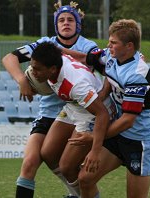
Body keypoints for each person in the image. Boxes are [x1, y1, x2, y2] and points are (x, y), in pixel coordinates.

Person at [1, 2, 98, 197]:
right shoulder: (45, 43)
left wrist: (59, 53)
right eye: (61, 20)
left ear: (78, 24)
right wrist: (22, 80)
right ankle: (78, 194)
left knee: (65, 162)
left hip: (77, 114)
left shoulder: (88, 46)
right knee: (29, 163)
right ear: (56, 24)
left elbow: (92, 61)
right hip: (48, 113)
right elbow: (9, 58)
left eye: (71, 19)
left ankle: (82, 194)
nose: (66, 23)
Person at [66, 19, 150, 198]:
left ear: (129, 46)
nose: (108, 46)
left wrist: (95, 138)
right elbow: (85, 57)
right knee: (85, 178)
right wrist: (59, 52)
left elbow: (127, 120)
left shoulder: (137, 75)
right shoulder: (112, 56)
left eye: (113, 42)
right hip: (118, 136)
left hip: (139, 142)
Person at [32, 42, 115, 197]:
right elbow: (60, 51)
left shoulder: (76, 84)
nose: (32, 72)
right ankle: (76, 195)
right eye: (32, 67)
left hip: (92, 113)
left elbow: (102, 113)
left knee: (66, 167)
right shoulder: (53, 62)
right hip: (74, 106)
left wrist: (95, 151)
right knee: (48, 153)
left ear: (53, 69)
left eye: (37, 69)